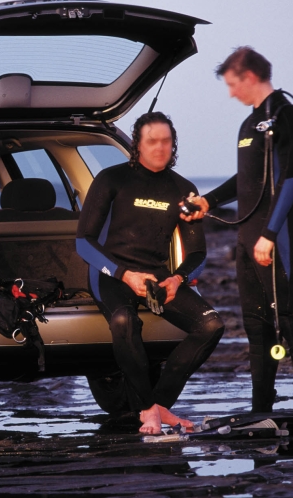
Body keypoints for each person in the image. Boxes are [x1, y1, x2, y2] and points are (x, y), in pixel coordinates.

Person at [183, 46, 293, 421]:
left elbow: (292, 179)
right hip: (247, 238)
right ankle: (261, 409)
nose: (230, 93)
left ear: (249, 76)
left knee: (290, 318)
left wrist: (271, 234)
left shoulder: (288, 116)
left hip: (273, 237)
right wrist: (208, 202)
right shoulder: (249, 125)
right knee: (257, 325)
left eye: (232, 84)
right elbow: (246, 180)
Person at [77, 111, 225, 435]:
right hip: (112, 274)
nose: (160, 147)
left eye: (166, 141)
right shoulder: (111, 179)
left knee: (211, 324)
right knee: (124, 320)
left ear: (174, 144)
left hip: (159, 278)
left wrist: (177, 279)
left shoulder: (183, 189)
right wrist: (123, 273)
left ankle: (158, 404)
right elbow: (83, 242)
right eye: (152, 141)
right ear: (137, 144)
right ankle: (146, 409)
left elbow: (198, 252)